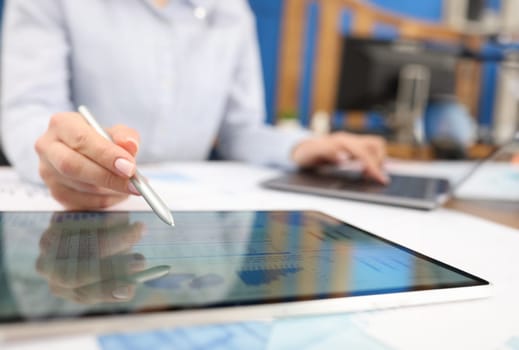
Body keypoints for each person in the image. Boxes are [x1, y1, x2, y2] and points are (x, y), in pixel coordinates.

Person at [1, 0, 388, 210]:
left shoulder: (232, 11)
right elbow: (28, 108)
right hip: (71, 209)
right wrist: (62, 156)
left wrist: (299, 147)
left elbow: (240, 129)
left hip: (195, 223)